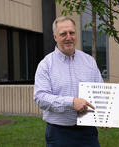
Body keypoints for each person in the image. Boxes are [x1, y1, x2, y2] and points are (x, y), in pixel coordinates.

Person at [33, 16, 103, 147]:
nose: (68, 37)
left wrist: (104, 116)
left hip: (88, 134)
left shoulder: (89, 61)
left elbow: (100, 92)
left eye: (71, 33)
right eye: (63, 34)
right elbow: (40, 98)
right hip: (59, 134)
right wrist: (71, 102)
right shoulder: (46, 65)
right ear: (55, 37)